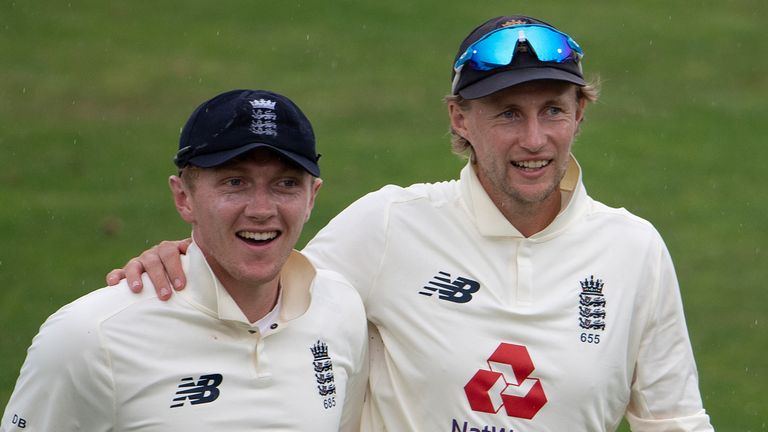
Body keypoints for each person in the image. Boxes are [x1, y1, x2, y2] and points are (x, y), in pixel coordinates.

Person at [105, 16, 714, 431]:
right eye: (506, 113)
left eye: (553, 110)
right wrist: (189, 258)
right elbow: (261, 298)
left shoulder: (633, 250)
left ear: (580, 114)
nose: (534, 140)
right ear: (460, 119)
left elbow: (675, 420)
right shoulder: (391, 223)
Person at [1, 89, 368, 431]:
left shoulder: (340, 310)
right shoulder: (89, 338)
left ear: (311, 198)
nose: (261, 210)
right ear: (184, 198)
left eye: (286, 183)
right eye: (234, 182)